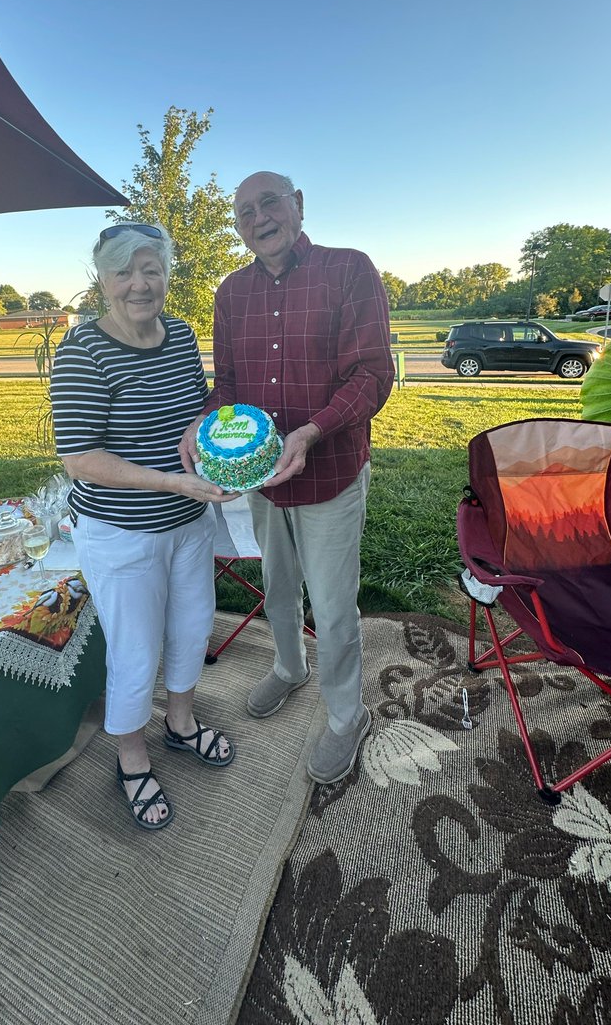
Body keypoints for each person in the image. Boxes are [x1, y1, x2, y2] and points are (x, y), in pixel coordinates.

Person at [179, 172, 394, 784]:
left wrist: (310, 432)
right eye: (243, 211)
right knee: (277, 586)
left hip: (329, 470)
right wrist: (205, 422)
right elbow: (227, 387)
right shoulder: (231, 292)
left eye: (268, 202)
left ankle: (347, 714)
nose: (257, 217)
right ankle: (288, 667)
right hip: (262, 478)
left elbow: (372, 376)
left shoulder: (349, 269)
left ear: (298, 205)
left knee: (330, 604)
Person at [50, 221, 237, 831]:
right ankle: (132, 758)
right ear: (101, 279)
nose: (139, 283)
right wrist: (172, 482)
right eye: (124, 271)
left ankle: (180, 724)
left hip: (189, 521)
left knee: (192, 627)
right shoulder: (83, 350)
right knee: (135, 649)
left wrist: (211, 453)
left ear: (166, 274)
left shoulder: (180, 335)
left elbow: (194, 413)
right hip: (122, 533)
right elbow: (81, 458)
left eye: (151, 269)